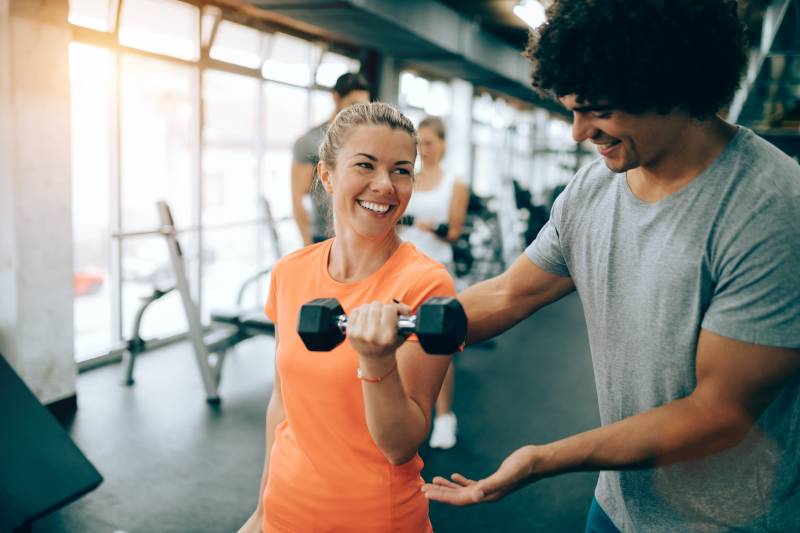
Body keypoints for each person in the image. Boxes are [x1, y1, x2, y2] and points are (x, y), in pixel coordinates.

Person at [421, 1, 800, 532]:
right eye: (571, 109)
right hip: (618, 505)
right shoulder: (592, 189)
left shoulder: (769, 207)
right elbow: (511, 293)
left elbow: (718, 414)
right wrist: (400, 323)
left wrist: (544, 459)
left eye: (597, 110)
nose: (578, 132)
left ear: (672, 86)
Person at [238, 102, 457, 532]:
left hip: (374, 519)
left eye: (400, 170)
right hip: (285, 510)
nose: (384, 185)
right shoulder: (291, 272)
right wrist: (263, 509)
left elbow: (400, 445)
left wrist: (376, 363)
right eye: (365, 165)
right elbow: (281, 406)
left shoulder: (425, 285)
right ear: (327, 173)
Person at [399, 116, 468, 450]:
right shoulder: (407, 176)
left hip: (436, 270)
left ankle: (444, 418)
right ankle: (404, 416)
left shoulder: (455, 182)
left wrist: (430, 226)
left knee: (436, 347)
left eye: (430, 143)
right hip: (401, 267)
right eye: (420, 144)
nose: (424, 150)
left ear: (442, 144)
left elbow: (454, 232)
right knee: (397, 344)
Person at [292, 72, 371, 246]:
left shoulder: (369, 142)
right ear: (336, 98)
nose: (357, 112)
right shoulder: (309, 142)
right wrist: (308, 248)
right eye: (353, 104)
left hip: (362, 239)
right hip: (324, 239)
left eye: (363, 106)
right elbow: (299, 201)